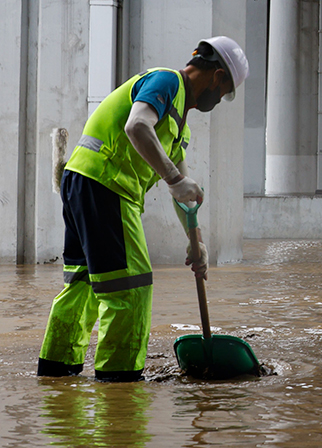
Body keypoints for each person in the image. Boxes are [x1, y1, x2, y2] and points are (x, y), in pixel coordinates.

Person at [37, 37, 249, 381]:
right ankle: (119, 386)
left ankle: (56, 376)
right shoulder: (166, 81)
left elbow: (183, 195)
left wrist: (196, 242)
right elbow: (136, 126)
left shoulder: (180, 128)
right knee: (131, 287)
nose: (220, 100)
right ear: (218, 77)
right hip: (107, 186)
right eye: (225, 91)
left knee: (82, 286)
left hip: (82, 184)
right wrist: (174, 176)